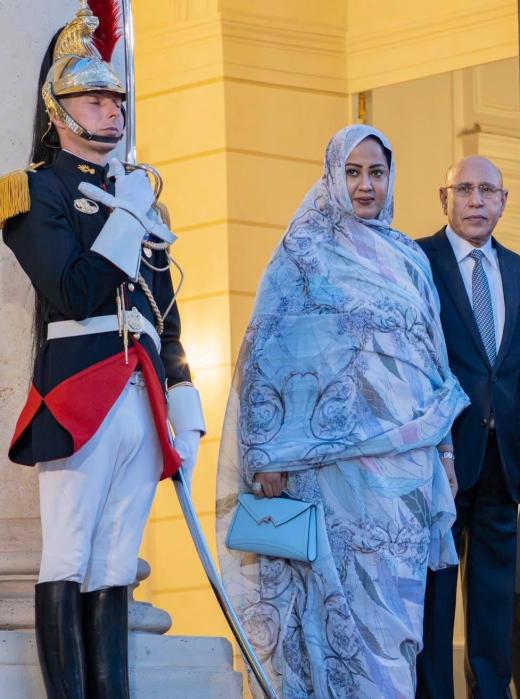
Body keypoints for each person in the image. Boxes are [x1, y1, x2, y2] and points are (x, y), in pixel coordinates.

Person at [215, 124, 469, 698]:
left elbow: (433, 358)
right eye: (352, 173)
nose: (365, 185)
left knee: (397, 621)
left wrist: (445, 452)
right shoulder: (302, 251)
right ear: (332, 175)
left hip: (405, 474)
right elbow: (268, 352)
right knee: (332, 616)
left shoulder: (410, 257)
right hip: (329, 472)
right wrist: (268, 453)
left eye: (376, 173)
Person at [0, 3, 204, 697]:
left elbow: (164, 316)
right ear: (60, 112)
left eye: (115, 99)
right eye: (94, 99)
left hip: (142, 394)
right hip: (79, 391)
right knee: (67, 552)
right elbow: (76, 289)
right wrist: (129, 215)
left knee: (116, 559)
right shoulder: (35, 191)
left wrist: (184, 398)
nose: (112, 110)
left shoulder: (137, 195)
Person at [416, 156, 520, 698]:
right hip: (436, 461)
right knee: (433, 602)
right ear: (444, 198)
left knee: (495, 606)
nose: (476, 200)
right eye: (464, 189)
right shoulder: (417, 261)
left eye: (487, 191)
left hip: (503, 464)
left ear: (503, 201)